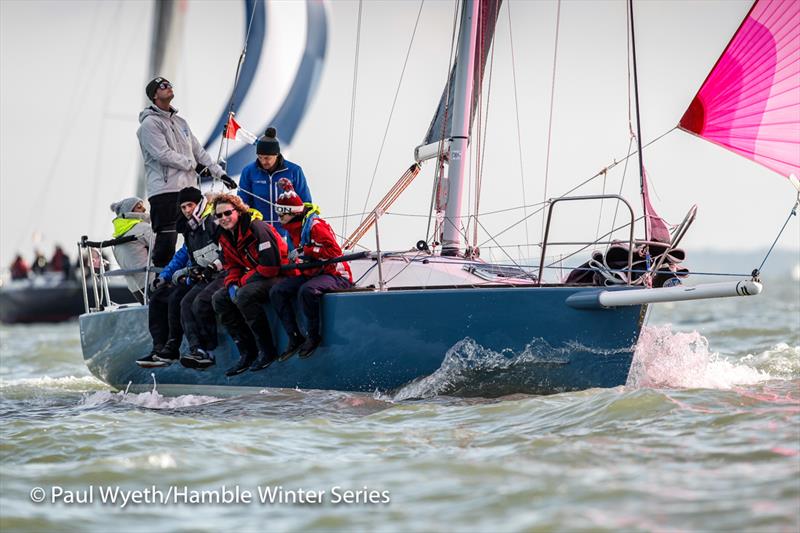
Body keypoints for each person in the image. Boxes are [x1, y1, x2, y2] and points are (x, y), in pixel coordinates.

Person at [137, 76, 237, 268]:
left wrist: (220, 174)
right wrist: (194, 165)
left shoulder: (181, 123)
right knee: (166, 242)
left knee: (196, 234)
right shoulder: (149, 125)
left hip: (187, 191)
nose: (169, 87)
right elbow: (163, 154)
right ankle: (160, 285)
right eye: (163, 86)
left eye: (169, 84)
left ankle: (191, 276)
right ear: (154, 95)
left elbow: (199, 152)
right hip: (164, 192)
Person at [135, 187, 225, 369]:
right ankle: (161, 349)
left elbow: (226, 251)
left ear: (199, 203)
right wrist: (165, 276)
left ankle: (194, 349)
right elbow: (182, 255)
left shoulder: (213, 222)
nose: (186, 210)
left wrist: (207, 269)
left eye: (189, 205)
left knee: (183, 300)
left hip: (217, 275)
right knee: (159, 297)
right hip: (199, 276)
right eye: (183, 207)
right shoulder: (189, 228)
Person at [211, 193, 294, 376]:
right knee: (219, 299)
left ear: (238, 211)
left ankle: (267, 350)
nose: (224, 218)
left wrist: (241, 282)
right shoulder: (225, 236)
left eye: (227, 213)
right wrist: (232, 283)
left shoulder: (256, 227)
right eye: (219, 216)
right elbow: (231, 265)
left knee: (245, 295)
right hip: (257, 276)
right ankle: (247, 352)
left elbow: (270, 267)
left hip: (279, 275)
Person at [269, 179, 353, 359]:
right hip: (313, 272)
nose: (279, 218)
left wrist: (305, 250)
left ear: (292, 213)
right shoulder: (293, 228)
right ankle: (294, 336)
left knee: (307, 291)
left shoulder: (315, 226)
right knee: (277, 291)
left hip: (335, 273)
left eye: (281, 214)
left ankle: (314, 337)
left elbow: (334, 253)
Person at [238, 127, 312, 237]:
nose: (263, 161)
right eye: (260, 157)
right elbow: (242, 203)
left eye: (267, 158)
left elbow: (306, 202)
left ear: (276, 154)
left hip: (289, 234)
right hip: (261, 234)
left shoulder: (294, 171)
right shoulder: (248, 171)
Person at [109, 197, 155, 303]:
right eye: (139, 207)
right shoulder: (143, 228)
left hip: (135, 289)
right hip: (152, 282)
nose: (144, 209)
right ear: (130, 212)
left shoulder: (118, 236)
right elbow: (161, 250)